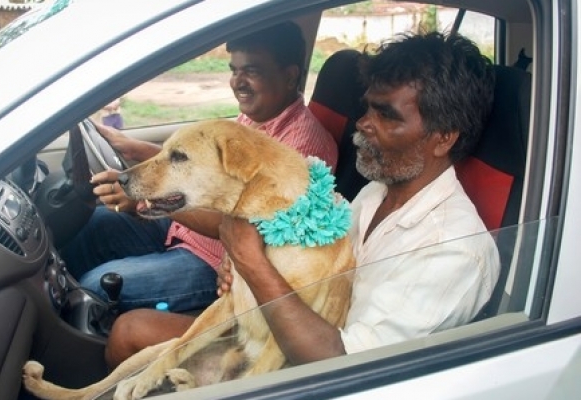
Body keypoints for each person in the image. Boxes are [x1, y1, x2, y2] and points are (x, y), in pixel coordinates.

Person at [105, 31, 500, 368]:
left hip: (308, 368)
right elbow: (310, 261)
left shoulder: (453, 250)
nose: (364, 123)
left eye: (387, 115)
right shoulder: (377, 192)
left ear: (443, 138)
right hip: (275, 330)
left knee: (130, 332)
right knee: (130, 330)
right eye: (367, 108)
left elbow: (343, 365)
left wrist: (252, 264)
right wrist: (241, 271)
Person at [60, 21, 337, 332]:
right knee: (93, 224)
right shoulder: (256, 117)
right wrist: (135, 149)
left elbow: (248, 229)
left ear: (289, 76)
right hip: (185, 229)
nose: (238, 82)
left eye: (252, 71)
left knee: (95, 285)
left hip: (216, 262)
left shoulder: (302, 149)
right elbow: (198, 167)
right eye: (234, 70)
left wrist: (147, 200)